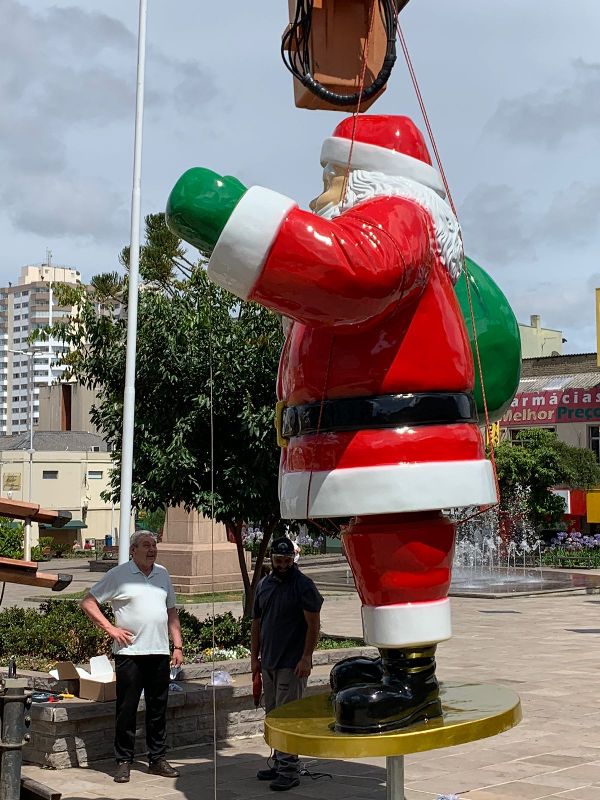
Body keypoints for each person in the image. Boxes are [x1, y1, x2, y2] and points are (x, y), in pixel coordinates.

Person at [166, 114, 517, 733]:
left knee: (400, 536)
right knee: (378, 537)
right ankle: (399, 664)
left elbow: (350, 275)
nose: (325, 188)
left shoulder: (397, 217)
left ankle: (413, 678)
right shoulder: (392, 221)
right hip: (367, 434)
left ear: (371, 176)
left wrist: (233, 219)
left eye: (333, 174)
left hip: (396, 433)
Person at [80, 530, 183, 783]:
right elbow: (88, 602)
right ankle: (123, 761)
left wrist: (177, 645)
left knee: (157, 709)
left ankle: (157, 758)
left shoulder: (163, 574)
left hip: (158, 652)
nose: (152, 549)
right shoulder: (119, 575)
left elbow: (171, 611)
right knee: (126, 709)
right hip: (130, 654)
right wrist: (111, 629)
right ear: (133, 550)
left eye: (154, 545)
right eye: (146, 545)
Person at [251, 536, 323, 791]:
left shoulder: (303, 585)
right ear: (272, 558)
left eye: (287, 560)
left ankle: (290, 770)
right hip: (269, 660)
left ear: (294, 559)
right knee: (272, 715)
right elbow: (256, 623)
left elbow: (313, 624)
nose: (282, 565)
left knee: (288, 716)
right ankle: (279, 763)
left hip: (292, 663)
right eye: (278, 560)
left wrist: (306, 657)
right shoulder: (264, 585)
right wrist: (254, 662)